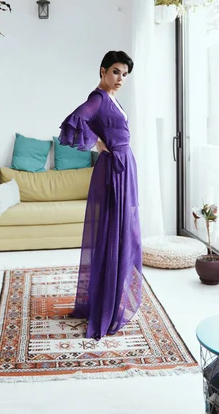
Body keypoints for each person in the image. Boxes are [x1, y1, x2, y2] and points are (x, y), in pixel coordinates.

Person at [58, 50, 142, 341]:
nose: (120, 79)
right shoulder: (98, 97)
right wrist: (97, 143)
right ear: (103, 71)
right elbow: (74, 121)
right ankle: (107, 306)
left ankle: (110, 297)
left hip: (122, 167)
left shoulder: (113, 99)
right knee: (113, 233)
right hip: (113, 172)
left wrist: (102, 141)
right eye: (116, 72)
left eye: (125, 74)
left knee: (120, 231)